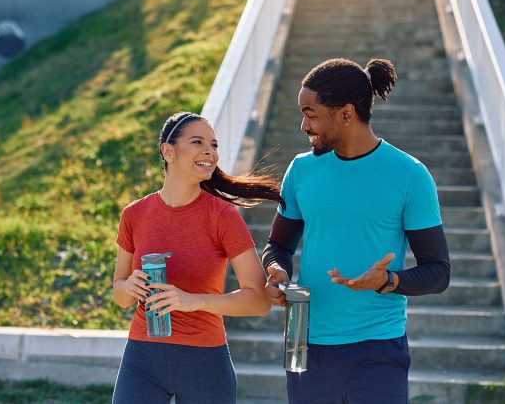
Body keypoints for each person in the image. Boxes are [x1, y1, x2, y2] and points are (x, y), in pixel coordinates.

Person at [262, 58, 450, 403]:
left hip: (378, 347)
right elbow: (278, 245)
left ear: (346, 113)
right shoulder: (301, 170)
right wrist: (277, 272)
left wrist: (389, 281)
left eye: (311, 113)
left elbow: (438, 272)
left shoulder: (409, 175)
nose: (303, 124)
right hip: (301, 341)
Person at [111, 111, 284, 404]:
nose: (210, 151)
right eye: (198, 142)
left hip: (205, 363)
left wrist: (195, 301)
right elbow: (119, 293)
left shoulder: (222, 217)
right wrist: (129, 288)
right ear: (168, 152)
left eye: (214, 144)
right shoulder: (134, 215)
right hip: (142, 359)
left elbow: (259, 300)